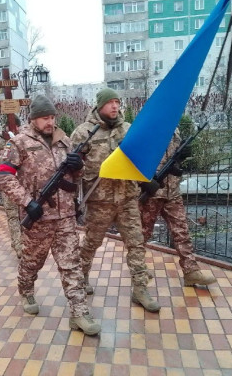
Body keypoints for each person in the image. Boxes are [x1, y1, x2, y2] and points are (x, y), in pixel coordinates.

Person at [0, 95, 101, 335]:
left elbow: (76, 178)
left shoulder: (63, 140)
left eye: (52, 117)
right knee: (32, 262)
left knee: (71, 265)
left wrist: (78, 166)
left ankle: (79, 313)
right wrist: (27, 201)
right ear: (34, 118)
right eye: (45, 118)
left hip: (65, 217)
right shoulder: (19, 143)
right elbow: (3, 175)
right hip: (38, 217)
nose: (50, 122)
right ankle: (26, 290)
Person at [71, 88, 160, 313]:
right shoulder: (83, 133)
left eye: (117, 102)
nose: (115, 106)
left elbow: (141, 158)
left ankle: (140, 288)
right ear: (100, 105)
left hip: (127, 198)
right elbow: (70, 168)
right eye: (110, 102)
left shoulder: (129, 130)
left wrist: (148, 178)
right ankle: (80, 279)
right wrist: (73, 196)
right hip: (99, 200)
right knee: (91, 243)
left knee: (136, 243)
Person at [139, 129, 217, 287]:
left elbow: (175, 162)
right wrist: (143, 181)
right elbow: (134, 159)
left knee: (182, 232)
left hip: (172, 192)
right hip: (152, 191)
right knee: (143, 233)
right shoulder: (149, 128)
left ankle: (191, 271)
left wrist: (182, 157)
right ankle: (138, 267)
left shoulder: (175, 131)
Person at [0, 116, 23, 258]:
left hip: (23, 183)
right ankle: (18, 244)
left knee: (24, 214)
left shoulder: (24, 139)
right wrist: (3, 157)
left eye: (16, 127)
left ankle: (19, 241)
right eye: (10, 127)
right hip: (7, 182)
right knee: (13, 215)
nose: (13, 129)